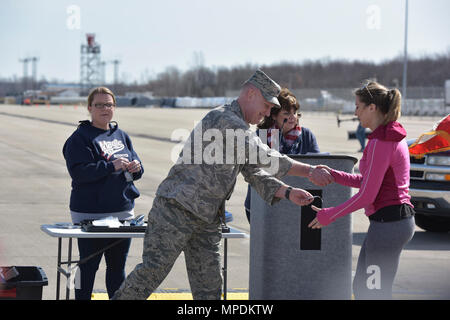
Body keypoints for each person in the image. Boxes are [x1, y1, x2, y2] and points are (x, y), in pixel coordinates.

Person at [112, 70, 333, 300]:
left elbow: (254, 172)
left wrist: (288, 192)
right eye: (266, 106)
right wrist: (309, 171)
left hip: (207, 219)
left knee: (210, 289)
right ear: (250, 93)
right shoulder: (225, 119)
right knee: (151, 273)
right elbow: (263, 155)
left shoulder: (241, 129)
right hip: (176, 210)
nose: (268, 112)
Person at [308, 81, 415, 300]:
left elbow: (368, 195)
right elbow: (368, 182)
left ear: (372, 108)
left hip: (389, 225)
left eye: (358, 106)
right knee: (364, 286)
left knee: (373, 291)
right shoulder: (387, 136)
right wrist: (336, 175)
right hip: (390, 224)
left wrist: (330, 214)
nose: (355, 112)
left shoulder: (382, 141)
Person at [62, 86, 144, 300]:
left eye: (109, 104)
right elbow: (79, 172)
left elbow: (135, 168)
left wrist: (137, 168)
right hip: (90, 214)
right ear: (90, 108)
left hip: (122, 212)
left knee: (117, 269)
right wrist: (111, 166)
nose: (105, 108)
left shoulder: (121, 135)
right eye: (99, 105)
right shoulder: (80, 138)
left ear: (114, 107)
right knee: (87, 268)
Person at [244, 87, 320, 222]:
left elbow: (315, 161)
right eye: (286, 113)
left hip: (297, 204)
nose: (292, 117)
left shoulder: (306, 135)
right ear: (274, 115)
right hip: (263, 204)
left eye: (295, 112)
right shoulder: (262, 136)